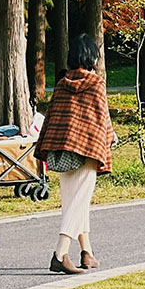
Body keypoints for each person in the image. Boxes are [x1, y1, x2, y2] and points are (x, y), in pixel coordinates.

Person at [34, 34, 115, 275]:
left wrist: (46, 144)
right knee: (78, 202)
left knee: (73, 201)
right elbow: (103, 117)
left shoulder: (62, 83)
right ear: (92, 57)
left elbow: (52, 116)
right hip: (88, 148)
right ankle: (60, 253)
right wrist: (110, 137)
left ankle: (87, 252)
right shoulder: (96, 83)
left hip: (62, 149)